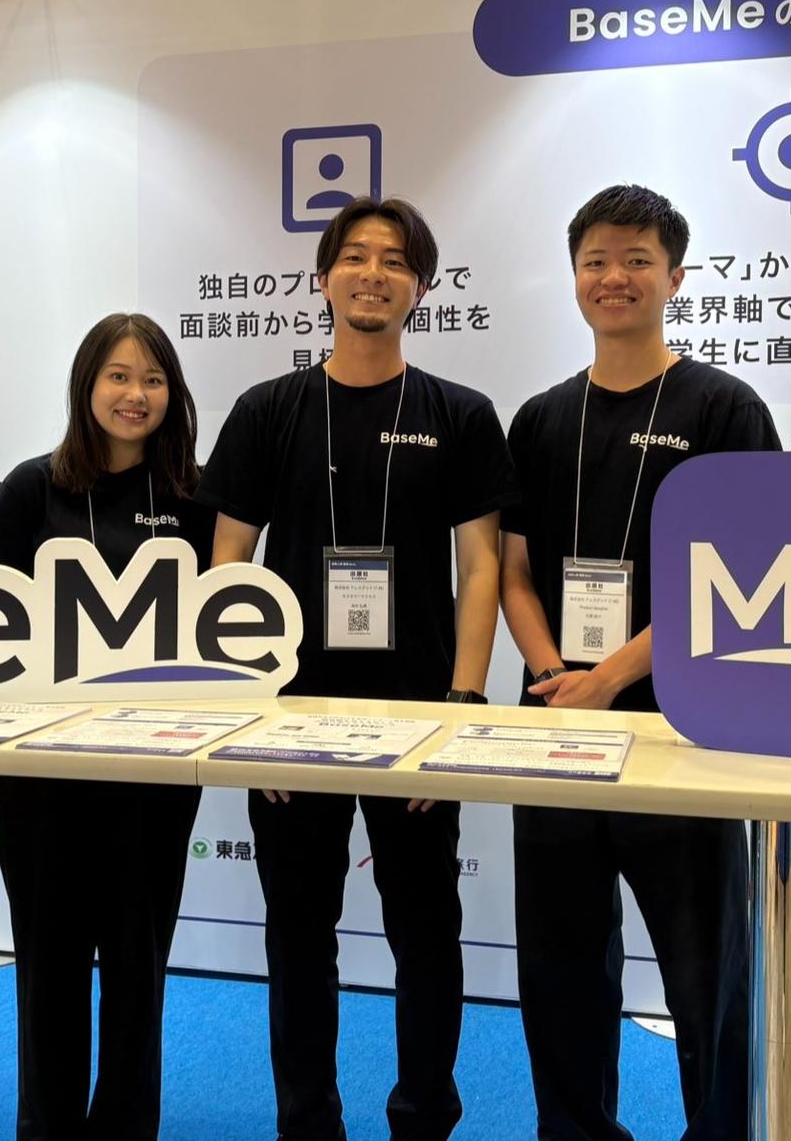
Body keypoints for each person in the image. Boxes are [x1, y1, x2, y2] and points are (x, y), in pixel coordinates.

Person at [198, 196, 516, 1141]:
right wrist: (245, 713)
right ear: (324, 277)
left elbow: (482, 566)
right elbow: (227, 563)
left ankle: (424, 1118)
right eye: (356, 257)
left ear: (420, 287)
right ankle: (308, 1123)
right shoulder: (267, 410)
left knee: (427, 934)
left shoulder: (460, 414)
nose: (374, 274)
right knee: (299, 936)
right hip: (289, 716)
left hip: (419, 716)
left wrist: (461, 706)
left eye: (396, 261)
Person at [498, 184, 770, 1141]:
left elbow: (744, 578)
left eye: (637, 260)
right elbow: (513, 571)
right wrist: (551, 676)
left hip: (682, 728)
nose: (615, 278)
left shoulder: (725, 408)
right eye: (597, 261)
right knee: (560, 966)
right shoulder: (540, 418)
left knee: (708, 974)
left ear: (675, 277)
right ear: (574, 275)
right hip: (555, 731)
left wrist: (608, 679)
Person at [0, 313, 215, 1141]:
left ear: (173, 394)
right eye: (118, 376)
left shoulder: (197, 499)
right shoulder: (29, 490)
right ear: (86, 386)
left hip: (153, 775)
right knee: (49, 966)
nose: (134, 395)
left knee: (138, 969)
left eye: (152, 379)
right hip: (42, 775)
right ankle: (45, 1127)